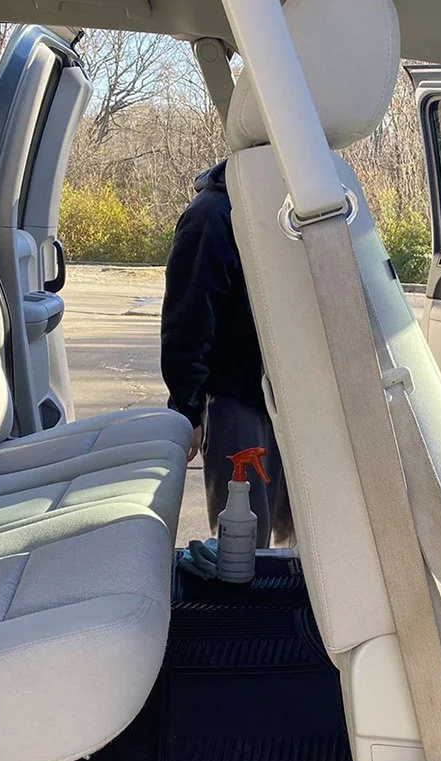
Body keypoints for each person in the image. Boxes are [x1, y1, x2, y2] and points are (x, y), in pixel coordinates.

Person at [161, 159, 292, 548]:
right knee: (244, 541)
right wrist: (187, 407)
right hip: (237, 400)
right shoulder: (213, 217)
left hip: (292, 400)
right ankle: (244, 607)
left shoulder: (296, 212)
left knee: (293, 544)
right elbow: (187, 320)